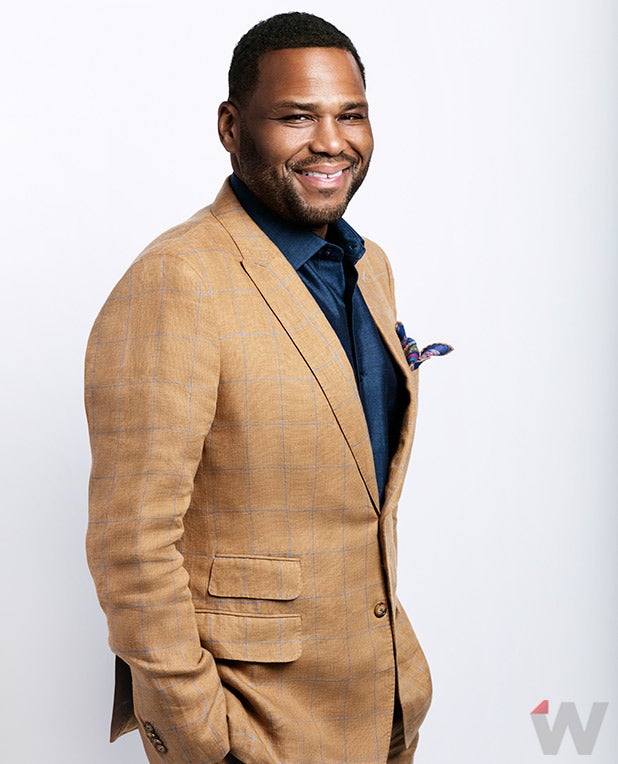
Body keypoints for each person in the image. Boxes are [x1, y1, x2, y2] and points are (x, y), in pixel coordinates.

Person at [85, 11, 441, 764]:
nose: (331, 142)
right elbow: (131, 544)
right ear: (230, 126)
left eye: (351, 115)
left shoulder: (369, 266)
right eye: (296, 117)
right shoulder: (178, 279)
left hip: (384, 704)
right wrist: (199, 739)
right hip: (255, 727)